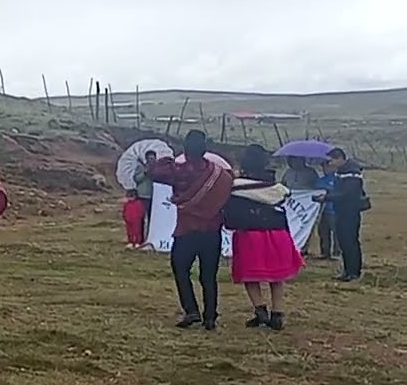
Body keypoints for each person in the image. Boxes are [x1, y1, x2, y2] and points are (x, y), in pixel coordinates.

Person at [146, 130, 233, 329]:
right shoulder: (220, 174)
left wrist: (169, 156)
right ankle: (210, 316)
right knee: (208, 275)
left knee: (181, 270)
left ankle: (191, 310)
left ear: (185, 149)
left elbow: (152, 172)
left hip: (186, 230)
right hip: (212, 231)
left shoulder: (179, 170)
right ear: (205, 149)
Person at [224, 144, 302, 331]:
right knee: (276, 276)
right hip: (277, 233)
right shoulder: (275, 186)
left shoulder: (236, 186)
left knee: (250, 274)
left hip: (250, 234)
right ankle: (277, 313)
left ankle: (260, 310)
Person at [320, 147, 369, 282]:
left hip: (350, 211)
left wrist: (328, 197)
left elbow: (348, 195)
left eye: (332, 160)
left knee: (350, 242)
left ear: (340, 158)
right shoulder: (343, 172)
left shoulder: (351, 174)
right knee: (344, 242)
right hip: (342, 211)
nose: (330, 164)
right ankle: (348, 270)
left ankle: (353, 272)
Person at [314, 160, 341, 260]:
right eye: (324, 167)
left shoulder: (338, 179)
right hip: (322, 211)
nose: (326, 169)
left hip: (334, 210)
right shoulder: (320, 180)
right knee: (323, 231)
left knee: (336, 232)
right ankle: (325, 251)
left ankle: (337, 252)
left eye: (328, 166)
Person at [133, 150, 157, 239]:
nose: (151, 160)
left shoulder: (158, 168)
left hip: (154, 197)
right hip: (142, 196)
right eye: (150, 158)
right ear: (146, 159)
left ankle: (151, 237)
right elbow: (136, 179)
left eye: (153, 158)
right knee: (140, 219)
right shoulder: (140, 167)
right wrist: (145, 172)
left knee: (152, 219)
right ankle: (140, 238)